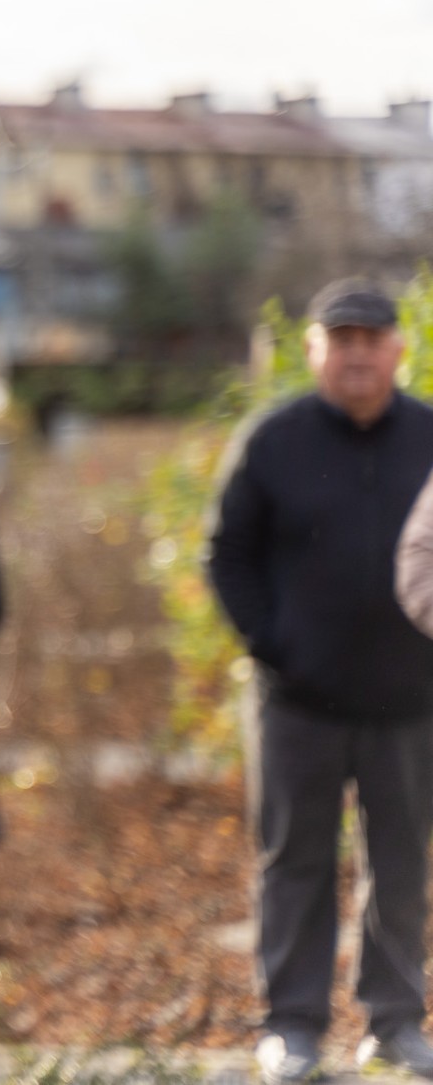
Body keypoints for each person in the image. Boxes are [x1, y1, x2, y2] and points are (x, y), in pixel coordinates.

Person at [209, 279, 433, 1084]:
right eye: (341, 339)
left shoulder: (430, 435)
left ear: (398, 347)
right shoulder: (274, 440)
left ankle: (395, 1023)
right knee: (294, 861)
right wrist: (275, 646)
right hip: (298, 701)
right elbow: (226, 553)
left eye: (372, 337)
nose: (358, 353)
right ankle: (293, 1027)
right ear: (314, 350)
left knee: (402, 862)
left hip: (410, 701)